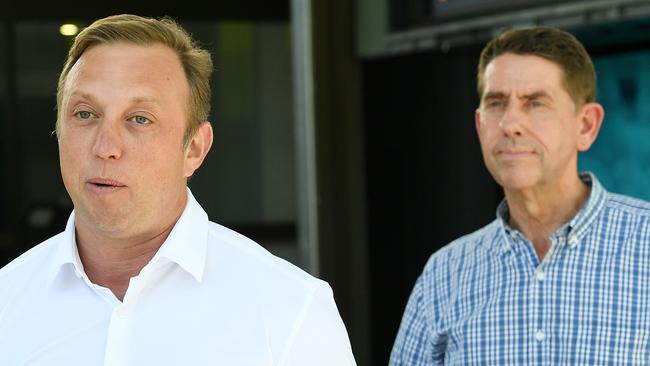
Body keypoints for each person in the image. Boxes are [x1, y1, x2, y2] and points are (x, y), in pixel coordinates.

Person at [0, 14, 356, 365]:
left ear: (195, 149)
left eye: (140, 119)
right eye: (85, 114)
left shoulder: (290, 311)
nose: (105, 146)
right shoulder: (7, 301)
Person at [390, 26, 650, 365]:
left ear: (585, 125)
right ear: (480, 125)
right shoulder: (444, 275)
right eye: (496, 104)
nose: (510, 123)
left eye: (536, 103)